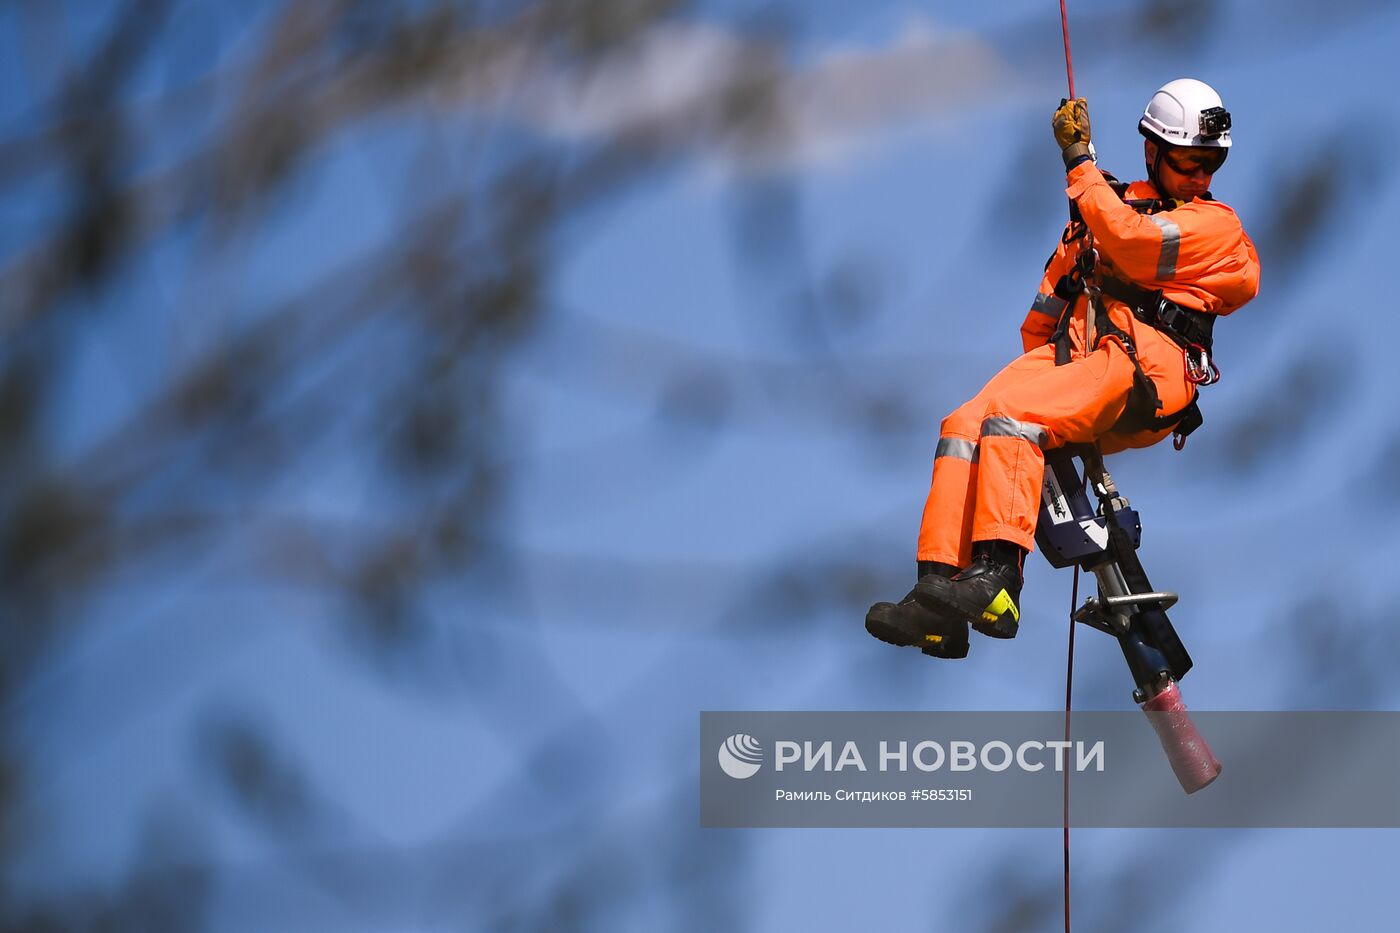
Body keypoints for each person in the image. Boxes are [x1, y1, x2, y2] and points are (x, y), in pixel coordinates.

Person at [865, 78, 1260, 659]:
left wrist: (1080, 164)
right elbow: (1042, 315)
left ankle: (999, 581)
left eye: (1210, 164)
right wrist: (1052, 366)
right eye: (1188, 162)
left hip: (1143, 367)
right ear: (1154, 150)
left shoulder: (1212, 225)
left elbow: (1135, 245)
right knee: (966, 422)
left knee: (1013, 416)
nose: (1201, 176)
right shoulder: (1101, 210)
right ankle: (938, 596)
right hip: (1082, 358)